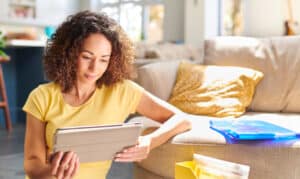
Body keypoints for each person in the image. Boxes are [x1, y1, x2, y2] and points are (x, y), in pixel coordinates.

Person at [23, 10, 191, 179]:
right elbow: (32, 163)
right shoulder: (41, 97)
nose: (95, 68)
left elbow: (182, 119)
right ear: (69, 54)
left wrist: (149, 141)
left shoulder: (122, 91)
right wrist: (54, 172)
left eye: (104, 59)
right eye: (87, 57)